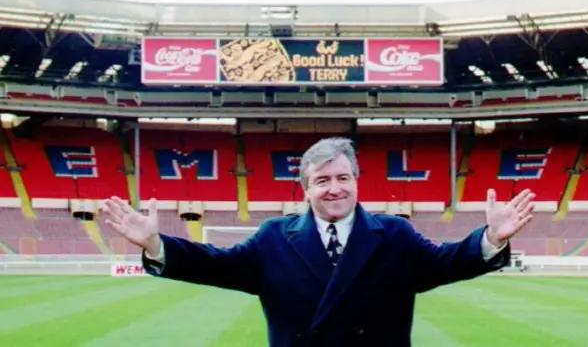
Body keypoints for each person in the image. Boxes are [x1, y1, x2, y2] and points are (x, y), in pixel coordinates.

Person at [103, 137, 535, 347]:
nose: (334, 188)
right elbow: (217, 264)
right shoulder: (273, 237)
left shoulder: (396, 235)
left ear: (356, 182)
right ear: (305, 188)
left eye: (343, 178)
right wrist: (156, 243)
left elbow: (446, 263)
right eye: (322, 180)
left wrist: (492, 237)